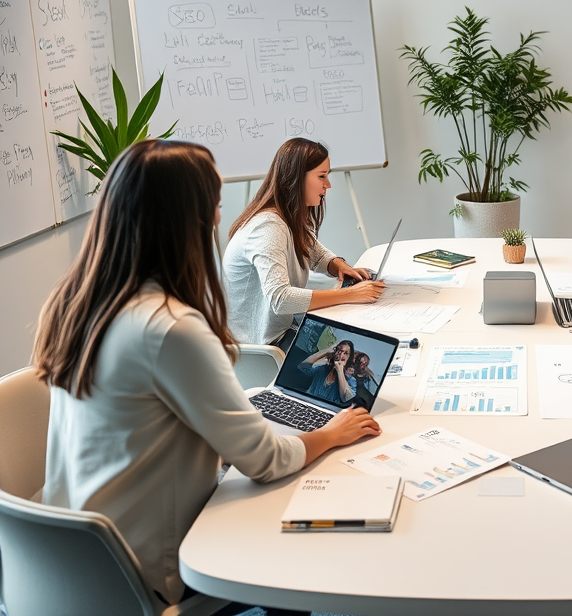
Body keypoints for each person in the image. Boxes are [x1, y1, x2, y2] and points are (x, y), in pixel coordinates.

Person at [33, 140, 382, 609]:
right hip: (147, 575)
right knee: (303, 535)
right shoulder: (172, 328)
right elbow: (266, 459)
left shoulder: (75, 307)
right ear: (187, 220)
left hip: (67, 565)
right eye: (215, 205)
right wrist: (331, 432)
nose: (221, 218)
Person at [223, 138, 386, 347]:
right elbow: (280, 299)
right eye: (322, 176)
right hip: (265, 347)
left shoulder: (287, 217)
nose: (328, 185)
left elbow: (313, 251)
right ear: (297, 178)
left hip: (285, 330)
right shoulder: (267, 227)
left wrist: (338, 265)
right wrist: (348, 294)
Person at [297, 340, 357, 405]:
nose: (341, 354)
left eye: (345, 353)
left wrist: (340, 369)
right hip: (306, 403)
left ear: (349, 358)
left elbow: (346, 397)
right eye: (338, 350)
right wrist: (327, 351)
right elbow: (302, 367)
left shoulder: (351, 380)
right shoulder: (323, 369)